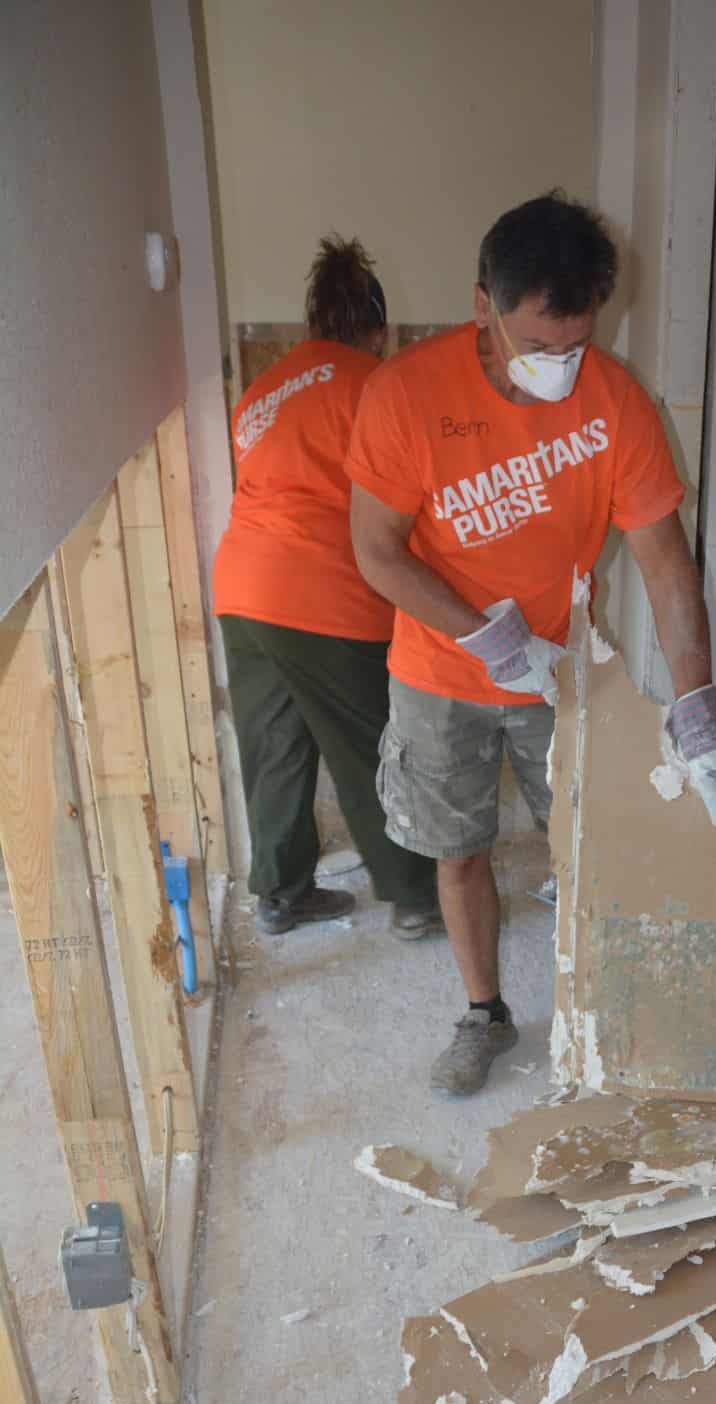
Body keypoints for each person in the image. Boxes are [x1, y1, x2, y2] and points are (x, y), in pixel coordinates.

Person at [346, 193, 716, 1095]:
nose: (561, 366)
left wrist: (698, 706)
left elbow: (665, 563)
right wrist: (485, 635)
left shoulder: (614, 403)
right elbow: (375, 552)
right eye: (538, 347)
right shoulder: (405, 396)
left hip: (563, 667)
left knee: (592, 848)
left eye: (576, 344)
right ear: (482, 306)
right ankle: (484, 1012)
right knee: (459, 851)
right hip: (438, 671)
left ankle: (604, 1011)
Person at [213, 235, 439, 939]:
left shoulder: (261, 390)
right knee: (369, 745)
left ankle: (280, 892)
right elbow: (405, 502)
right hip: (321, 594)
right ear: (376, 330)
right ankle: (413, 896)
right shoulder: (373, 384)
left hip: (241, 590)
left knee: (274, 744)